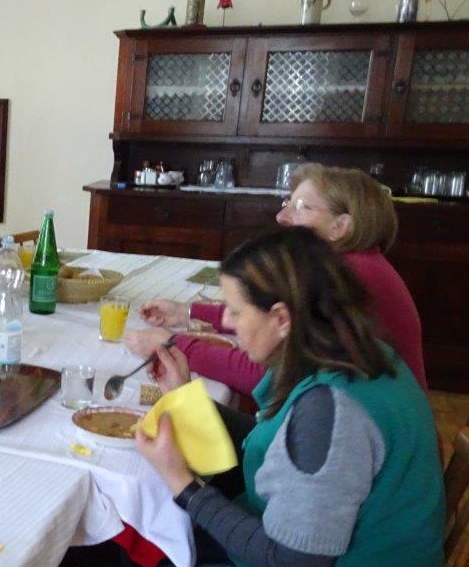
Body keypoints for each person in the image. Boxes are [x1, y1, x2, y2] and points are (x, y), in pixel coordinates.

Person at [79, 226, 443, 567]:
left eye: (234, 310)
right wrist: (187, 397)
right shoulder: (359, 359)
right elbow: (274, 451)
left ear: (282, 318)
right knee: (161, 539)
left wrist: (183, 485)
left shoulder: (330, 411)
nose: (225, 323)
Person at [127, 164, 426, 396]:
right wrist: (187, 313)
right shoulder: (353, 265)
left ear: (340, 227)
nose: (281, 217)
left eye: (300, 207)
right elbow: (266, 315)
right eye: (287, 203)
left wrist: (174, 345)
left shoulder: (348, 277)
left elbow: (268, 375)